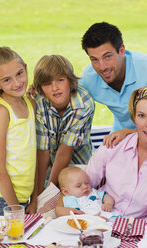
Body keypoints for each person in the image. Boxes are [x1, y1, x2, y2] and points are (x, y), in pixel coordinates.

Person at [82, 85, 147, 224]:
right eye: (141, 115)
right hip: (98, 221)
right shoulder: (113, 145)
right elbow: (83, 186)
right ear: (134, 118)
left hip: (138, 231)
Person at [0, 46, 37, 215]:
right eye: (7, 80)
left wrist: (33, 199)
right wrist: (16, 210)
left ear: (25, 68)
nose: (17, 83)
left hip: (21, 201)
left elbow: (32, 154)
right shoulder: (0, 111)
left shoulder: (30, 104)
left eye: (19, 74)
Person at [32, 55, 95, 194]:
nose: (55, 88)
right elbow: (42, 152)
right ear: (40, 88)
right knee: (45, 205)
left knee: (77, 200)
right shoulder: (39, 102)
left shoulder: (83, 103)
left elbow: (65, 150)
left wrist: (49, 192)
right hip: (48, 166)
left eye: (60, 80)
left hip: (79, 164)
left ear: (70, 81)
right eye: (47, 83)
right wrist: (38, 195)